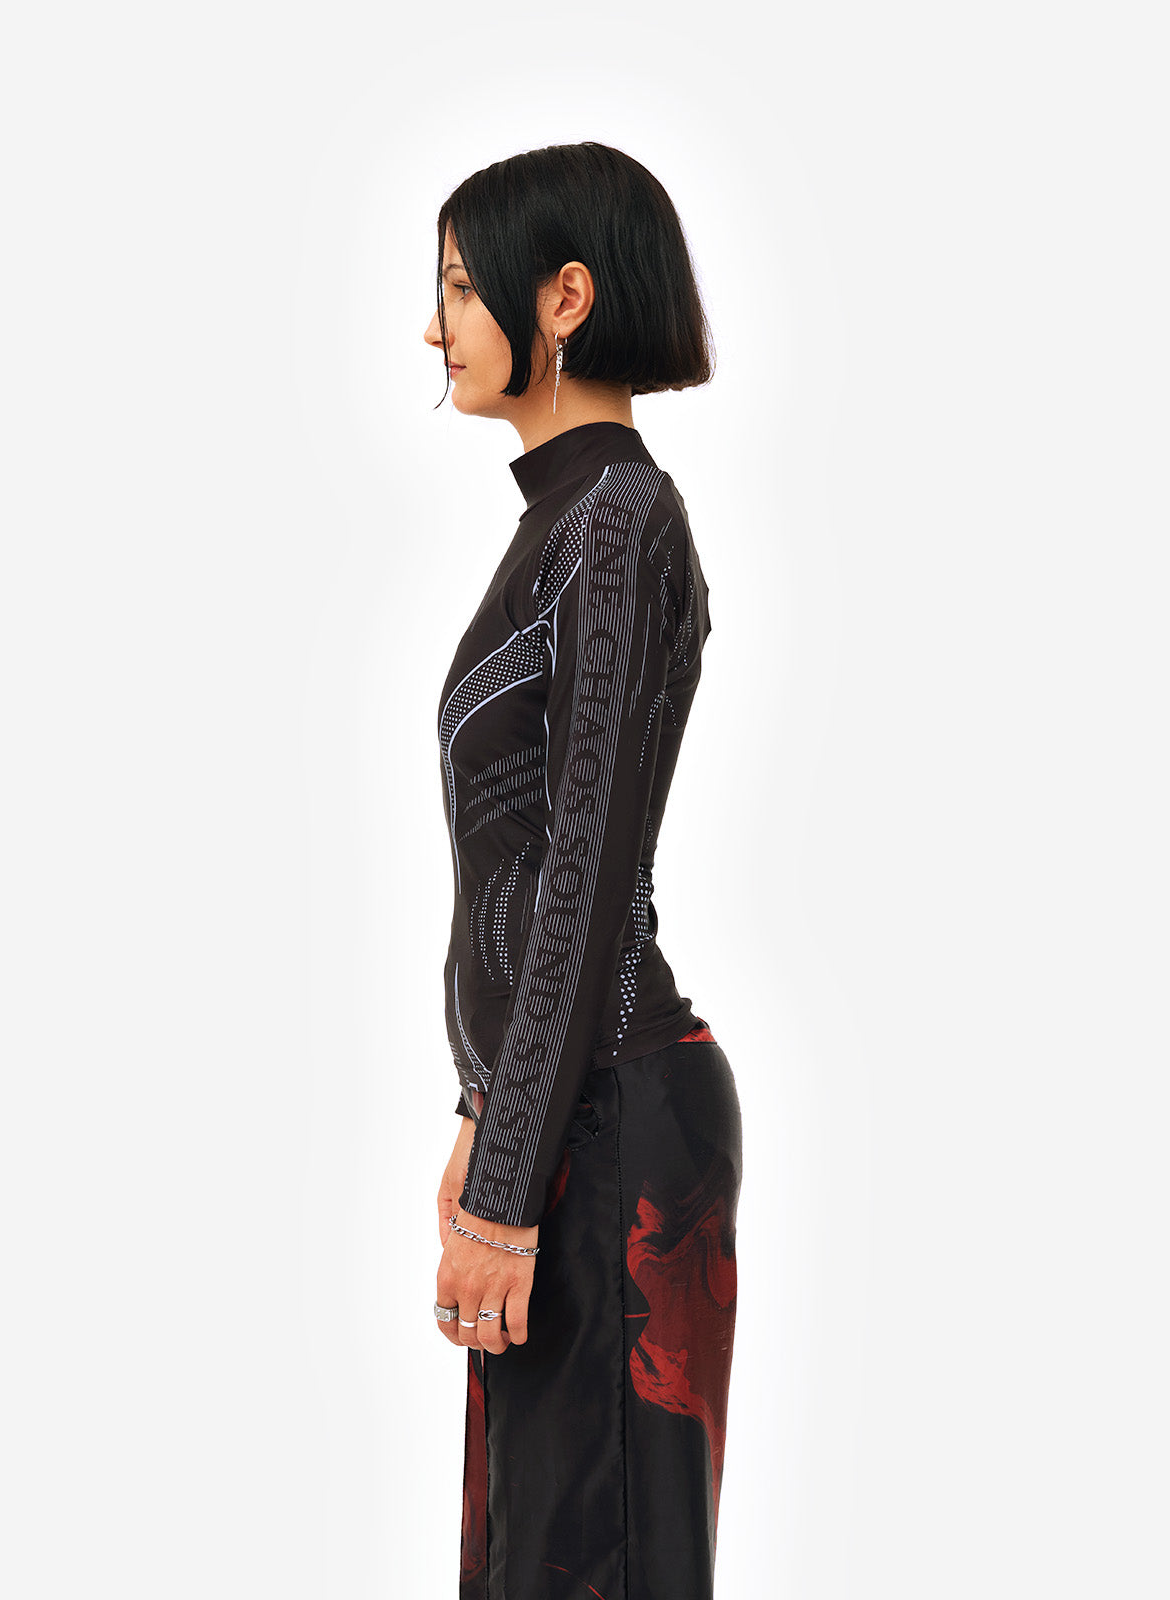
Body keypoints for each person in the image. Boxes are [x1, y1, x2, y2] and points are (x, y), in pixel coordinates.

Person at [423, 142, 743, 1600]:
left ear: (562, 297)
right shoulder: (562, 522)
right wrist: (483, 1113)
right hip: (569, 1116)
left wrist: (506, 1185)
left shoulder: (615, 523)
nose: (436, 326)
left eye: (457, 286)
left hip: (612, 1124)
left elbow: (584, 887)